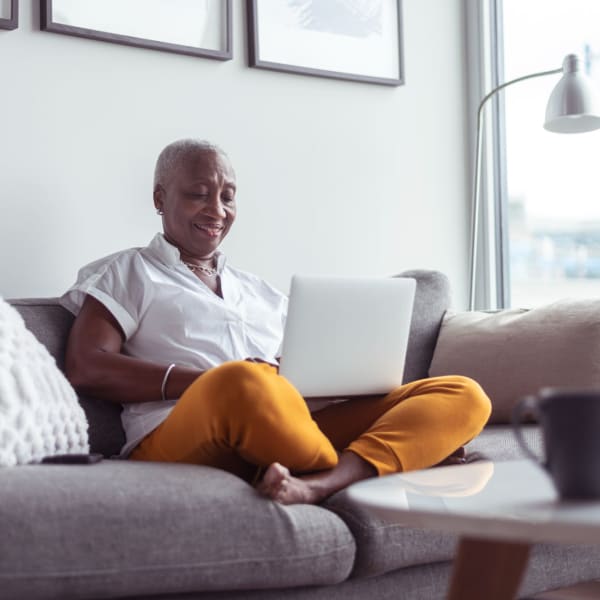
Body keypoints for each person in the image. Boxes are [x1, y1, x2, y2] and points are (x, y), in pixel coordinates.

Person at [61, 138, 492, 505]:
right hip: (180, 434)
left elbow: (299, 374)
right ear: (160, 198)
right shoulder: (128, 271)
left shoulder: (261, 292)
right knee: (243, 383)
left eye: (228, 196)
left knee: (463, 393)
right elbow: (87, 365)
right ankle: (387, 460)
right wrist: (210, 380)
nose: (217, 209)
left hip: (287, 424)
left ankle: (321, 481)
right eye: (198, 193)